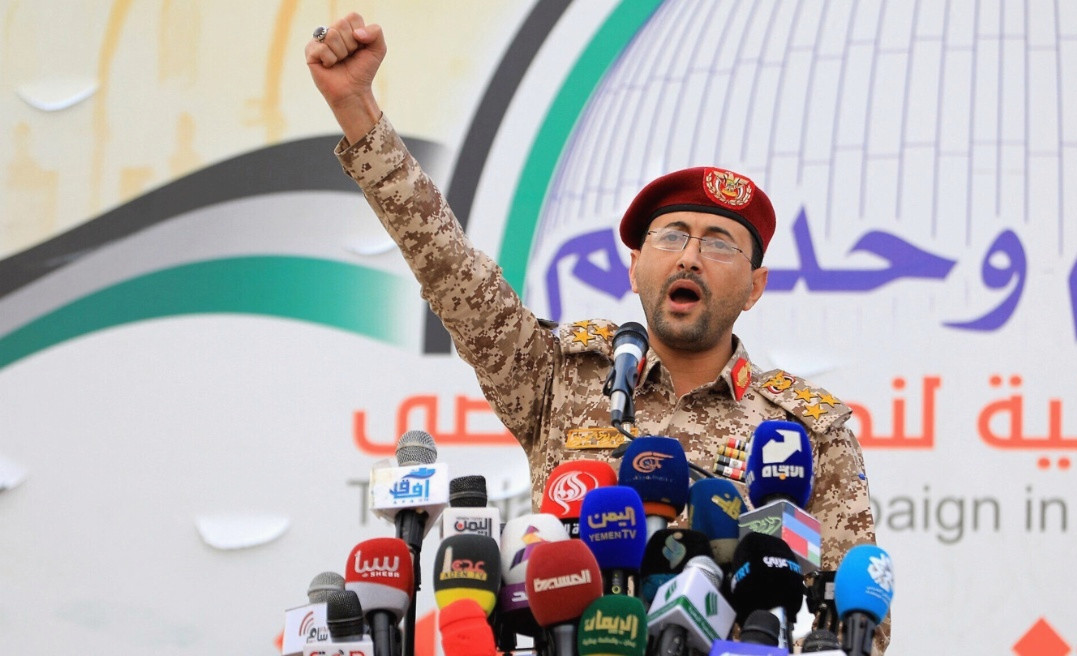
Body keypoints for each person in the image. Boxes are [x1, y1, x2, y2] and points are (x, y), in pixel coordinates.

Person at [306, 13, 889, 653]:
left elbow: (860, 623)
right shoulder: (561, 374)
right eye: (671, 236)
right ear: (635, 267)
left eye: (719, 243)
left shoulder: (806, 433)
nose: (690, 257)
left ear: (755, 286)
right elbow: (448, 267)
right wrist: (357, 108)